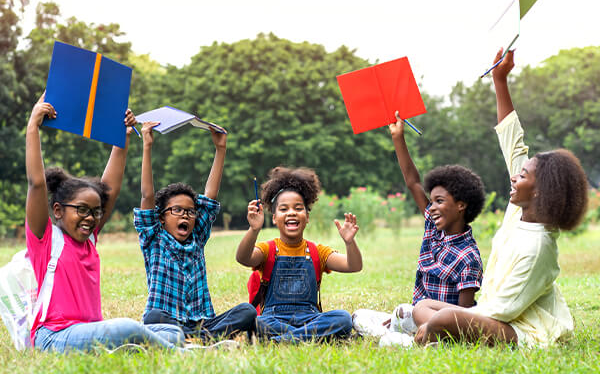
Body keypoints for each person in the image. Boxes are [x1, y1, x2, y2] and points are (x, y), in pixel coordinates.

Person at [412, 49, 589, 348]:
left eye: (523, 176)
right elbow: (513, 143)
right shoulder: (521, 211)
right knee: (422, 307)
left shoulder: (539, 247)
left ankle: (427, 337)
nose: (514, 176)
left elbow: (502, 311)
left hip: (523, 333)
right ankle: (433, 329)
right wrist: (500, 79)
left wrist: (444, 321)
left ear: (539, 191)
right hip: (490, 314)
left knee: (439, 319)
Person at [26, 93, 185, 353]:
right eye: (81, 210)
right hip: (54, 336)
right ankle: (182, 354)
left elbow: (110, 187)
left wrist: (121, 136)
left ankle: (127, 351)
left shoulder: (89, 239)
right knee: (127, 328)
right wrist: (33, 126)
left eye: (95, 212)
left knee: (172, 332)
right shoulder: (46, 239)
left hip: (90, 331)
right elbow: (36, 183)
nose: (90, 217)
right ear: (57, 210)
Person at [352, 111, 485, 342]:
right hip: (416, 315)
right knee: (358, 316)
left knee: (392, 332)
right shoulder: (434, 229)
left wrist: (419, 317)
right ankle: (398, 326)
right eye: (431, 201)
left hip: (444, 328)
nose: (431, 208)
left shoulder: (469, 256)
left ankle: (402, 334)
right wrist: (398, 138)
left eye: (440, 202)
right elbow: (413, 182)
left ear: (461, 205)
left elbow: (464, 316)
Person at [134, 121, 256, 342]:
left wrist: (220, 149)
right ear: (161, 217)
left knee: (247, 311)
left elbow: (209, 195)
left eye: (190, 212)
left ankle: (193, 338)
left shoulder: (197, 238)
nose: (185, 216)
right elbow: (147, 196)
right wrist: (147, 146)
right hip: (166, 319)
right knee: (153, 317)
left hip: (203, 321)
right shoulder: (154, 239)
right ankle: (194, 338)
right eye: (177, 210)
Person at [236, 166, 362, 342]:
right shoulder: (267, 249)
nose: (292, 212)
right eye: (284, 209)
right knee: (255, 322)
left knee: (342, 318)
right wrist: (253, 230)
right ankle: (305, 337)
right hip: (274, 319)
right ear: (273, 217)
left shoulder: (318, 251)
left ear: (307, 216)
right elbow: (243, 258)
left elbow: (353, 266)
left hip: (310, 317)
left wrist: (350, 242)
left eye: (298, 208)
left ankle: (285, 340)